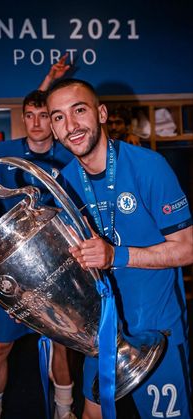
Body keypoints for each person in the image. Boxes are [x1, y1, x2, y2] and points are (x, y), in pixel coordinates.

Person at [45, 78, 193, 419]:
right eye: (58, 117)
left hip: (157, 330)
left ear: (100, 113)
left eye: (78, 111)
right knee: (93, 412)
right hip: (102, 332)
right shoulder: (64, 184)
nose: (70, 126)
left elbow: (186, 248)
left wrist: (116, 256)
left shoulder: (148, 167)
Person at [0, 57, 77, 419]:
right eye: (30, 116)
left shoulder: (66, 154)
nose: (37, 123)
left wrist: (52, 80)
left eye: (44, 116)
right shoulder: (3, 153)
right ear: (23, 118)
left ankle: (64, 410)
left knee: (60, 344)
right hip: (11, 266)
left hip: (55, 267)